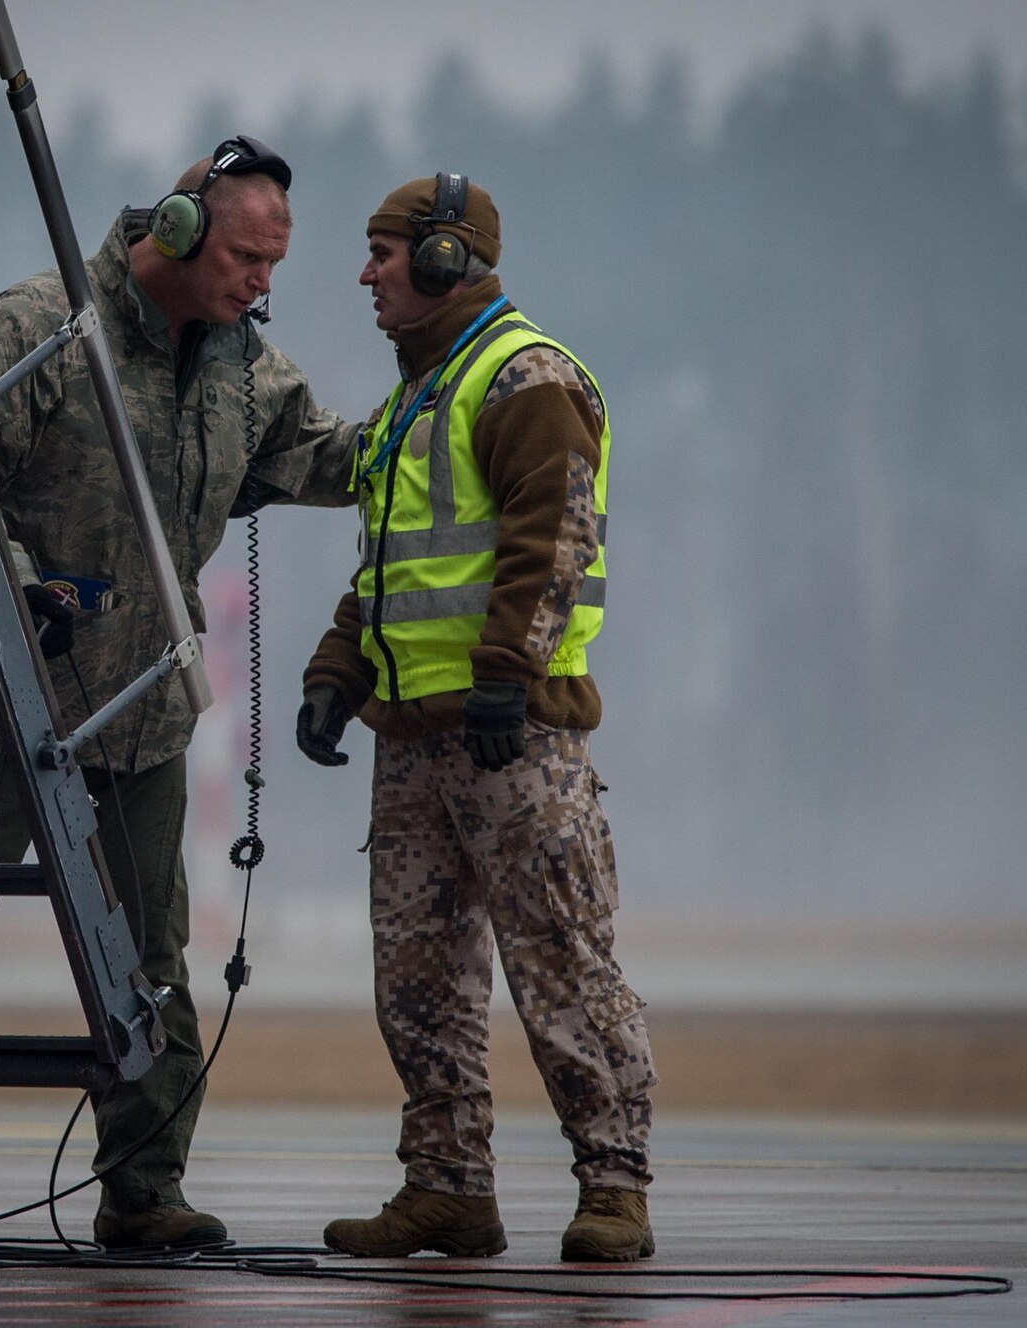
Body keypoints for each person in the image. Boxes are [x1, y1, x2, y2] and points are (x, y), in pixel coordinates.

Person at [0, 137, 362, 1251]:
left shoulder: (248, 374)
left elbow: (335, 457)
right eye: (247, 256)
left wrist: (460, 420)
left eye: (274, 264)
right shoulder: (41, 324)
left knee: (149, 968)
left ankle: (143, 1192)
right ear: (180, 227)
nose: (261, 283)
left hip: (141, 721)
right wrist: (19, 596)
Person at [297, 174, 656, 1262]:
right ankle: (447, 1186)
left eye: (384, 252)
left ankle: (613, 1185)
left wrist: (507, 666)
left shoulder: (524, 378)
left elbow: (554, 538)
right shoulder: (414, 402)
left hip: (514, 735)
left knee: (561, 962)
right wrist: (335, 671)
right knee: (415, 977)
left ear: (447, 259)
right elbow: (392, 572)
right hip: (410, 743)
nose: (365, 273)